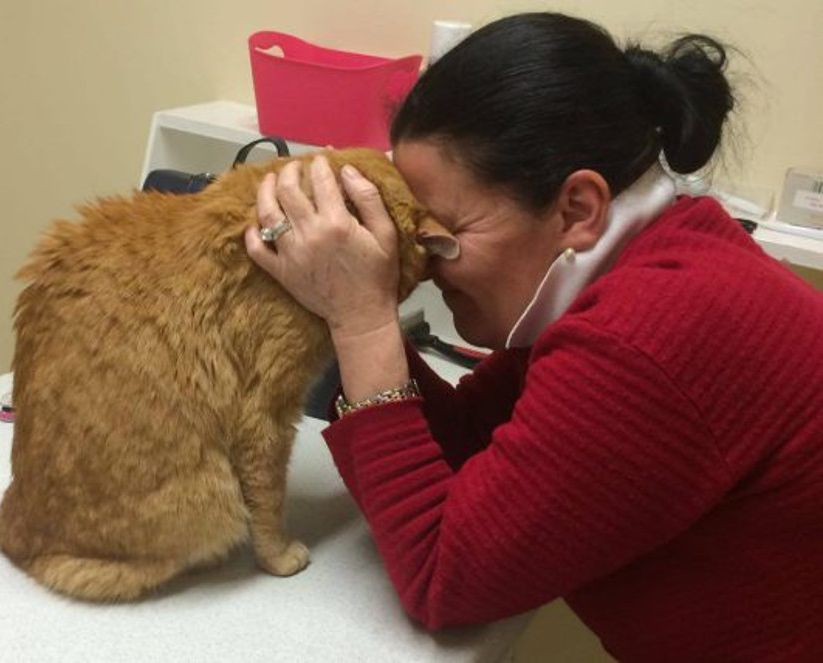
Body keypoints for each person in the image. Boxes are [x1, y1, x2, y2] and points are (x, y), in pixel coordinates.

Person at [244, 12, 823, 662]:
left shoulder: (650, 334)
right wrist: (346, 298)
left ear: (577, 208)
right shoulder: (651, 262)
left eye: (445, 230)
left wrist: (362, 320)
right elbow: (468, 438)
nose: (424, 257)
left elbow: (443, 576)